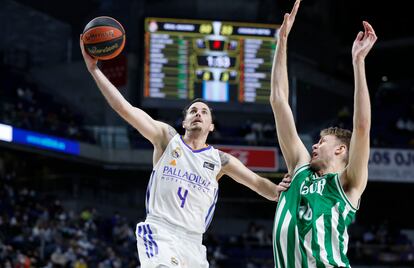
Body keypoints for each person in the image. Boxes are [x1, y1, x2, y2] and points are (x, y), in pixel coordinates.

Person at [79, 37, 291, 267]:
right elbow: (125, 109)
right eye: (193, 111)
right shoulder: (166, 139)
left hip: (193, 244)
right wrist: (94, 69)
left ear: (211, 126)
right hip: (161, 231)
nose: (198, 113)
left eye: (204, 112)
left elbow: (261, 185)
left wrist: (282, 191)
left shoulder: (221, 160)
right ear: (184, 122)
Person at [270, 0, 377, 267]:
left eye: (321, 142)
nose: (314, 146)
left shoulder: (347, 184)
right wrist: (281, 41)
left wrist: (358, 62)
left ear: (341, 149)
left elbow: (362, 127)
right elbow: (278, 100)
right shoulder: (300, 169)